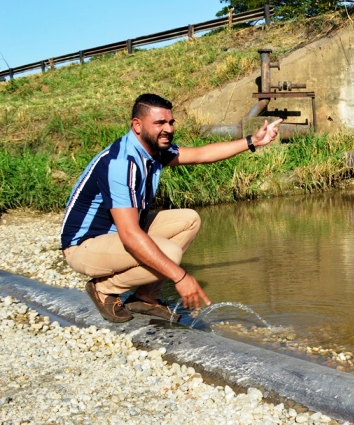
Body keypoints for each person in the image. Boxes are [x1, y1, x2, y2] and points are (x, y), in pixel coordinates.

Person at [61, 93, 282, 323]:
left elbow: (201, 154)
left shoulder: (151, 150)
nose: (168, 128)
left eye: (170, 122)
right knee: (170, 255)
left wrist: (253, 141)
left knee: (189, 219)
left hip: (116, 234)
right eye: (159, 123)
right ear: (137, 125)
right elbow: (129, 235)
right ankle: (104, 288)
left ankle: (145, 297)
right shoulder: (121, 164)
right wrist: (180, 277)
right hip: (85, 246)